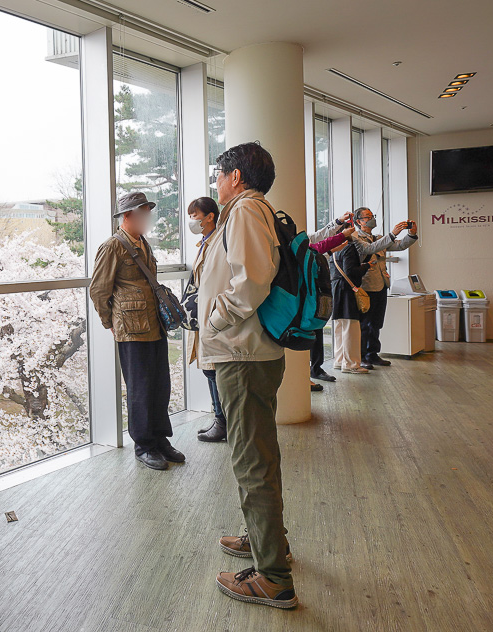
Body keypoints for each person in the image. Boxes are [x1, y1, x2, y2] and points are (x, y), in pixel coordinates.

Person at [195, 142, 298, 609]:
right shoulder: (250, 212)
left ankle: (272, 577)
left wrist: (215, 318)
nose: (216, 182)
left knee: (251, 460)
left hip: (244, 353)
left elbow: (252, 280)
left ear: (236, 176)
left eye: (219, 174)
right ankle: (266, 540)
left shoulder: (245, 212)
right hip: (249, 351)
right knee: (258, 453)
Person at [89, 191, 181, 470]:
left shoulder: (144, 244)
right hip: (131, 331)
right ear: (127, 216)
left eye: (148, 212)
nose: (147, 218)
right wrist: (112, 323)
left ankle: (160, 439)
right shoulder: (112, 247)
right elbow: (98, 290)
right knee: (140, 389)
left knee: (160, 385)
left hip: (155, 326)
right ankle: (144, 445)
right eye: (142, 212)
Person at [347, 208, 419, 368]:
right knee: (365, 324)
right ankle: (362, 356)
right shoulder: (355, 238)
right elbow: (370, 248)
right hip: (365, 286)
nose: (372, 219)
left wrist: (411, 235)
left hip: (381, 284)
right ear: (359, 221)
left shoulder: (379, 238)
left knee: (377, 323)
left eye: (373, 216)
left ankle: (373, 354)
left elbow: (399, 246)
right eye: (368, 217)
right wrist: (392, 234)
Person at [184, 196, 228, 443]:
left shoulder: (217, 242)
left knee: (212, 369)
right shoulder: (205, 242)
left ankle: (222, 421)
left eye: (195, 216)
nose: (192, 221)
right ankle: (219, 419)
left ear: (210, 216)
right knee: (209, 368)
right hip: (205, 313)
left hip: (212, 314)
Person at [306, 212, 355, 385]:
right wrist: (341, 234)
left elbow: (319, 238)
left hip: (317, 292)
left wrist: (338, 222)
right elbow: (318, 246)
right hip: (309, 294)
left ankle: (315, 368)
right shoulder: (296, 242)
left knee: (317, 328)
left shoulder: (302, 238)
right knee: (311, 331)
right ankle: (311, 370)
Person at [330, 239, 372, 374]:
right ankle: (351, 364)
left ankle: (339, 360)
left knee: (339, 326)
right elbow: (351, 271)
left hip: (335, 289)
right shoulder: (349, 248)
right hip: (347, 291)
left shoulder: (334, 250)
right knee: (351, 327)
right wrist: (366, 266)